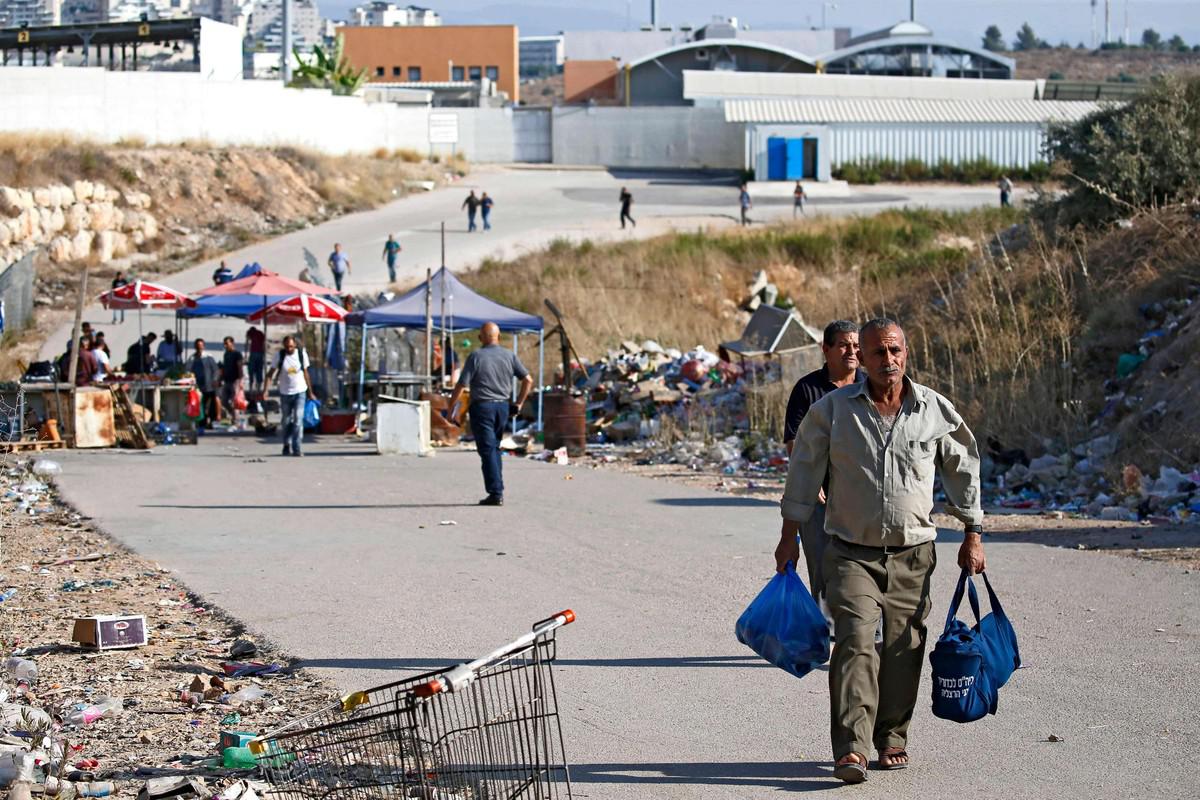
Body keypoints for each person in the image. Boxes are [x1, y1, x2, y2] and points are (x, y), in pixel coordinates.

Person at [777, 318, 985, 783]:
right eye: (877, 353)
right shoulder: (832, 410)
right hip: (850, 550)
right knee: (853, 641)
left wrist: (973, 532)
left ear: (905, 353)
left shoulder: (932, 409)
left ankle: (891, 736)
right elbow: (804, 469)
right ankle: (851, 747)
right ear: (863, 361)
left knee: (903, 647)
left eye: (895, 351)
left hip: (914, 552)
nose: (887, 361)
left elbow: (963, 468)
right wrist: (789, 536)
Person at [782, 320, 864, 610]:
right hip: (819, 496)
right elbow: (793, 440)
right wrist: (811, 479)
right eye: (843, 345)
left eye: (856, 345)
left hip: (861, 495)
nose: (851, 351)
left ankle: (868, 636)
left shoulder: (870, 386)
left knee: (865, 568)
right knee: (823, 566)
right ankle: (828, 636)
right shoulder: (807, 389)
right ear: (826, 349)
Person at [447, 322, 533, 506]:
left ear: (480, 338)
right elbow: (528, 380)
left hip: (482, 408)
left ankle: (496, 492)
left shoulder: (476, 356)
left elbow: (461, 385)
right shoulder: (509, 356)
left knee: (487, 450)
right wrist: (518, 403)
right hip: (502, 408)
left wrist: (450, 408)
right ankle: (497, 488)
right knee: (493, 448)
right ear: (498, 337)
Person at [265, 335, 315, 456]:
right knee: (286, 421)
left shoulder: (301, 355)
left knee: (298, 419)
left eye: (291, 346)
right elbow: (270, 374)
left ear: (295, 345)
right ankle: (286, 444)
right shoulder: (280, 355)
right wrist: (265, 390)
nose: (289, 349)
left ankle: (296, 447)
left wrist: (310, 392)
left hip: (300, 391)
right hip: (285, 393)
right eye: (287, 346)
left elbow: (306, 373)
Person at [187, 339, 220, 429]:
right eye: (197, 345)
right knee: (201, 405)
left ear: (203, 346)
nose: (199, 347)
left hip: (210, 385)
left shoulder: (208, 357)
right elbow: (188, 370)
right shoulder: (192, 358)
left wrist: (215, 379)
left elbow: (216, 370)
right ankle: (202, 422)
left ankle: (212, 421)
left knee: (211, 405)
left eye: (201, 345)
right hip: (198, 386)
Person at [218, 336, 245, 428]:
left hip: (235, 380)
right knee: (224, 401)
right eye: (224, 343)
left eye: (227, 343)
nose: (225, 345)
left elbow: (240, 367)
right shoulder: (226, 354)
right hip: (227, 380)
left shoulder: (237, 354)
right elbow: (225, 367)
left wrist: (241, 380)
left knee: (235, 401)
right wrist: (220, 378)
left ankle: (236, 422)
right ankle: (233, 416)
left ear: (232, 343)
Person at [245, 326, 266, 393]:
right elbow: (264, 344)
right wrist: (264, 353)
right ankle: (258, 388)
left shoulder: (250, 333)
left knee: (251, 370)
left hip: (253, 353)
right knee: (259, 370)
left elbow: (247, 343)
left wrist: (246, 354)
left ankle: (251, 388)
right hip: (260, 353)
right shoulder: (260, 333)